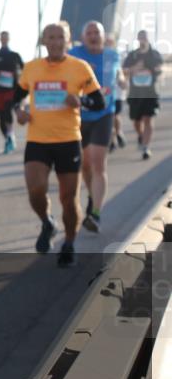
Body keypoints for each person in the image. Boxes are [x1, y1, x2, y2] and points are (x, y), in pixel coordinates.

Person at [14, 22, 105, 267]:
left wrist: (81, 102)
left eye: (60, 37)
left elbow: (99, 103)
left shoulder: (80, 67)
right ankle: (47, 221)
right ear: (44, 41)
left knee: (68, 198)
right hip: (37, 140)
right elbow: (17, 96)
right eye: (50, 37)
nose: (55, 42)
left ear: (68, 40)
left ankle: (69, 243)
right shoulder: (31, 68)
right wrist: (19, 111)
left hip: (68, 140)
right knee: (35, 190)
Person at [69, 22, 121, 233]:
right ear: (83, 37)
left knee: (98, 163)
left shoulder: (112, 55)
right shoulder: (75, 54)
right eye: (88, 33)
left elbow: (117, 75)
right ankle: (92, 197)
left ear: (103, 36)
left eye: (96, 32)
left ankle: (96, 214)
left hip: (103, 114)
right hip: (80, 117)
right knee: (85, 165)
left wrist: (123, 81)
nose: (92, 36)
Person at [123, 29, 163, 160]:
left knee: (148, 118)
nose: (142, 40)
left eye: (144, 37)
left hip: (150, 92)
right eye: (140, 37)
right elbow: (124, 70)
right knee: (136, 121)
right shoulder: (133, 55)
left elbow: (159, 68)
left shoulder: (154, 54)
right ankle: (141, 135)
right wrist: (134, 68)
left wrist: (150, 68)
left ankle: (146, 147)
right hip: (135, 93)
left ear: (148, 39)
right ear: (137, 39)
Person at [105, 36, 128, 152]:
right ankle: (113, 139)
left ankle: (118, 132)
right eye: (106, 42)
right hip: (105, 94)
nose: (107, 44)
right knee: (110, 117)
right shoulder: (99, 57)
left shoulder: (117, 56)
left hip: (117, 93)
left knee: (116, 116)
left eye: (110, 42)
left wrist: (123, 81)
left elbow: (121, 72)